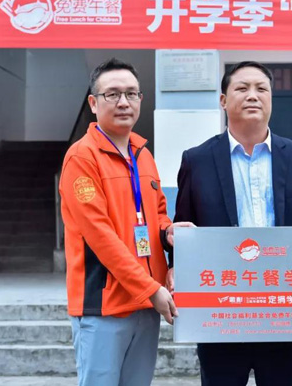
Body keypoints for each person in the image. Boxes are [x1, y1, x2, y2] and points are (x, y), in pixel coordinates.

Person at [173, 61, 292, 386]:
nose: (252, 95)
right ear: (223, 100)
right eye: (242, 88)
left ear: (271, 99)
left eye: (261, 89)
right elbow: (182, 228)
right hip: (220, 313)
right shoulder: (196, 160)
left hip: (282, 312)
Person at [59, 58, 192, 386]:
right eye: (112, 94)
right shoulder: (82, 157)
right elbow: (100, 237)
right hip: (103, 307)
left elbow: (156, 213)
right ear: (93, 103)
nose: (123, 102)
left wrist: (168, 231)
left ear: (140, 99)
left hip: (146, 305)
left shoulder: (143, 154)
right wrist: (151, 289)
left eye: (131, 94)